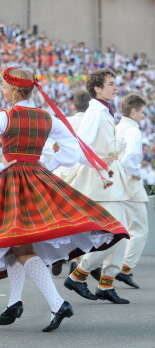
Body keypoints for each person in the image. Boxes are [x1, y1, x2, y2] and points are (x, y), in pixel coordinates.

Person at [0, 67, 129, 332]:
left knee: (20, 246)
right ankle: (14, 302)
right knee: (15, 243)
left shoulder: (5, 117)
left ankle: (57, 303)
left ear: (16, 91)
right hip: (38, 180)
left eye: (5, 87)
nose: (2, 90)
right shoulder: (47, 117)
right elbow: (72, 149)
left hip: (12, 182)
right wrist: (48, 164)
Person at [63, 68, 131, 304]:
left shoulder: (104, 110)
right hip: (101, 179)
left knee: (116, 234)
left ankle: (85, 276)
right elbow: (80, 144)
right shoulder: (95, 111)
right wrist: (97, 161)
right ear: (97, 88)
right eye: (111, 84)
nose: (116, 87)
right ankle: (78, 275)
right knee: (116, 233)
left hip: (109, 177)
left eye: (115, 83)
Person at [50, 89, 91, 276]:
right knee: (84, 218)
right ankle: (78, 258)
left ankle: (61, 254)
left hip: (62, 172)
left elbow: (53, 148)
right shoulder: (93, 121)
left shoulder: (63, 122)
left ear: (74, 105)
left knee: (62, 217)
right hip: (85, 174)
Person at [115, 93, 149, 288]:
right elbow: (131, 156)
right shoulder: (133, 130)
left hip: (117, 181)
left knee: (124, 227)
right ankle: (125, 268)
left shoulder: (117, 127)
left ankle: (113, 269)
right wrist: (134, 171)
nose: (143, 116)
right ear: (134, 111)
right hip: (129, 179)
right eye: (142, 112)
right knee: (140, 229)